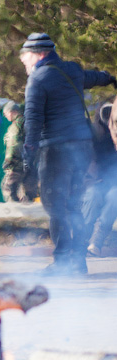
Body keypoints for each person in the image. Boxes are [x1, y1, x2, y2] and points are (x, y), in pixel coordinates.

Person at [20, 32, 117, 275]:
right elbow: (92, 77)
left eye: (26, 55)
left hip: (55, 150)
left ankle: (63, 261)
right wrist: (110, 78)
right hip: (82, 147)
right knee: (75, 204)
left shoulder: (38, 79)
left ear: (40, 54)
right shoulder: (71, 70)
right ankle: (78, 261)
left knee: (56, 206)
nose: (23, 60)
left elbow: (32, 122)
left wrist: (27, 156)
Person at [84, 100, 117, 257]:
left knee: (114, 197)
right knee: (93, 195)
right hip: (95, 182)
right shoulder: (92, 135)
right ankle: (82, 239)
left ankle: (96, 241)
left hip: (114, 183)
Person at [1, 101, 38, 203]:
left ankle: (13, 214)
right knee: (28, 192)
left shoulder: (15, 126)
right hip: (31, 162)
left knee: (8, 189)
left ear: (11, 112)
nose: (6, 117)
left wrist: (9, 160)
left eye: (5, 114)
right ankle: (29, 215)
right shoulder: (29, 122)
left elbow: (14, 143)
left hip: (16, 164)